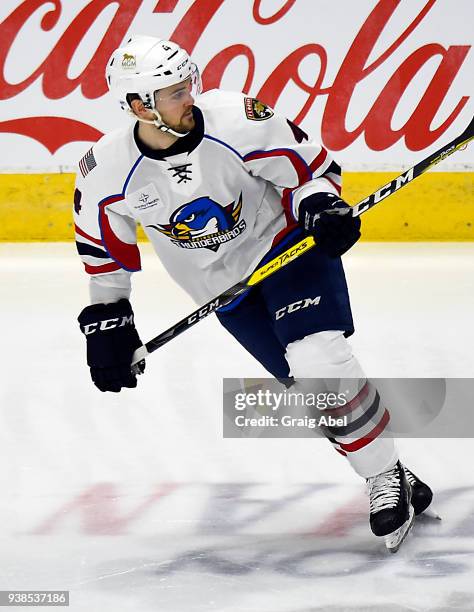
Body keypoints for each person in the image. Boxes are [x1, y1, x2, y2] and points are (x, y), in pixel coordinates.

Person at [74, 35, 434, 551]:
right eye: (174, 94)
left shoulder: (238, 118)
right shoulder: (106, 171)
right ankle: (392, 470)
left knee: (319, 358)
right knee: (318, 397)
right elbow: (104, 263)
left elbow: (311, 173)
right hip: (224, 290)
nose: (189, 99)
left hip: (284, 245)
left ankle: (381, 478)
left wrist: (320, 208)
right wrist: (107, 324)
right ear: (139, 106)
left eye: (187, 86)